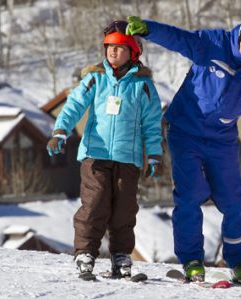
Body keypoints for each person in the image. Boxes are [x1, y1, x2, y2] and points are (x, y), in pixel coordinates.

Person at [125, 11, 241, 283]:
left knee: (233, 201)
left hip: (222, 139)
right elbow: (180, 39)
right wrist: (147, 29)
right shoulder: (215, 43)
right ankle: (192, 259)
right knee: (190, 196)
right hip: (185, 131)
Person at [46, 20, 163, 279]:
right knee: (95, 202)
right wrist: (60, 131)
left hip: (128, 157)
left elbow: (152, 124)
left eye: (120, 48)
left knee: (124, 208)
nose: (112, 52)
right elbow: (73, 105)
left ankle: (121, 255)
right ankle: (85, 252)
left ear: (134, 52)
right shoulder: (95, 78)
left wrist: (154, 153)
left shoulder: (143, 86)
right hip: (94, 155)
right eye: (109, 47)